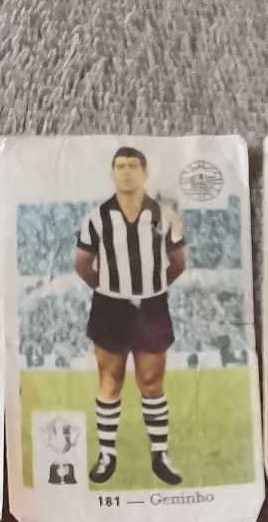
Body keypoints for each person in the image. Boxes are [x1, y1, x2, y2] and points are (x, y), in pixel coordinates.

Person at [74, 146, 187, 486]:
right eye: (120, 166)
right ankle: (107, 456)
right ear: (112, 173)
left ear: (144, 172)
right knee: (110, 382)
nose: (126, 172)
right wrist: (112, 291)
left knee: (152, 383)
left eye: (133, 166)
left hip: (152, 306)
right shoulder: (96, 218)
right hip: (110, 307)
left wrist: (149, 290)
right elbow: (83, 264)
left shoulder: (165, 216)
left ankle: (160, 456)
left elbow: (178, 263)